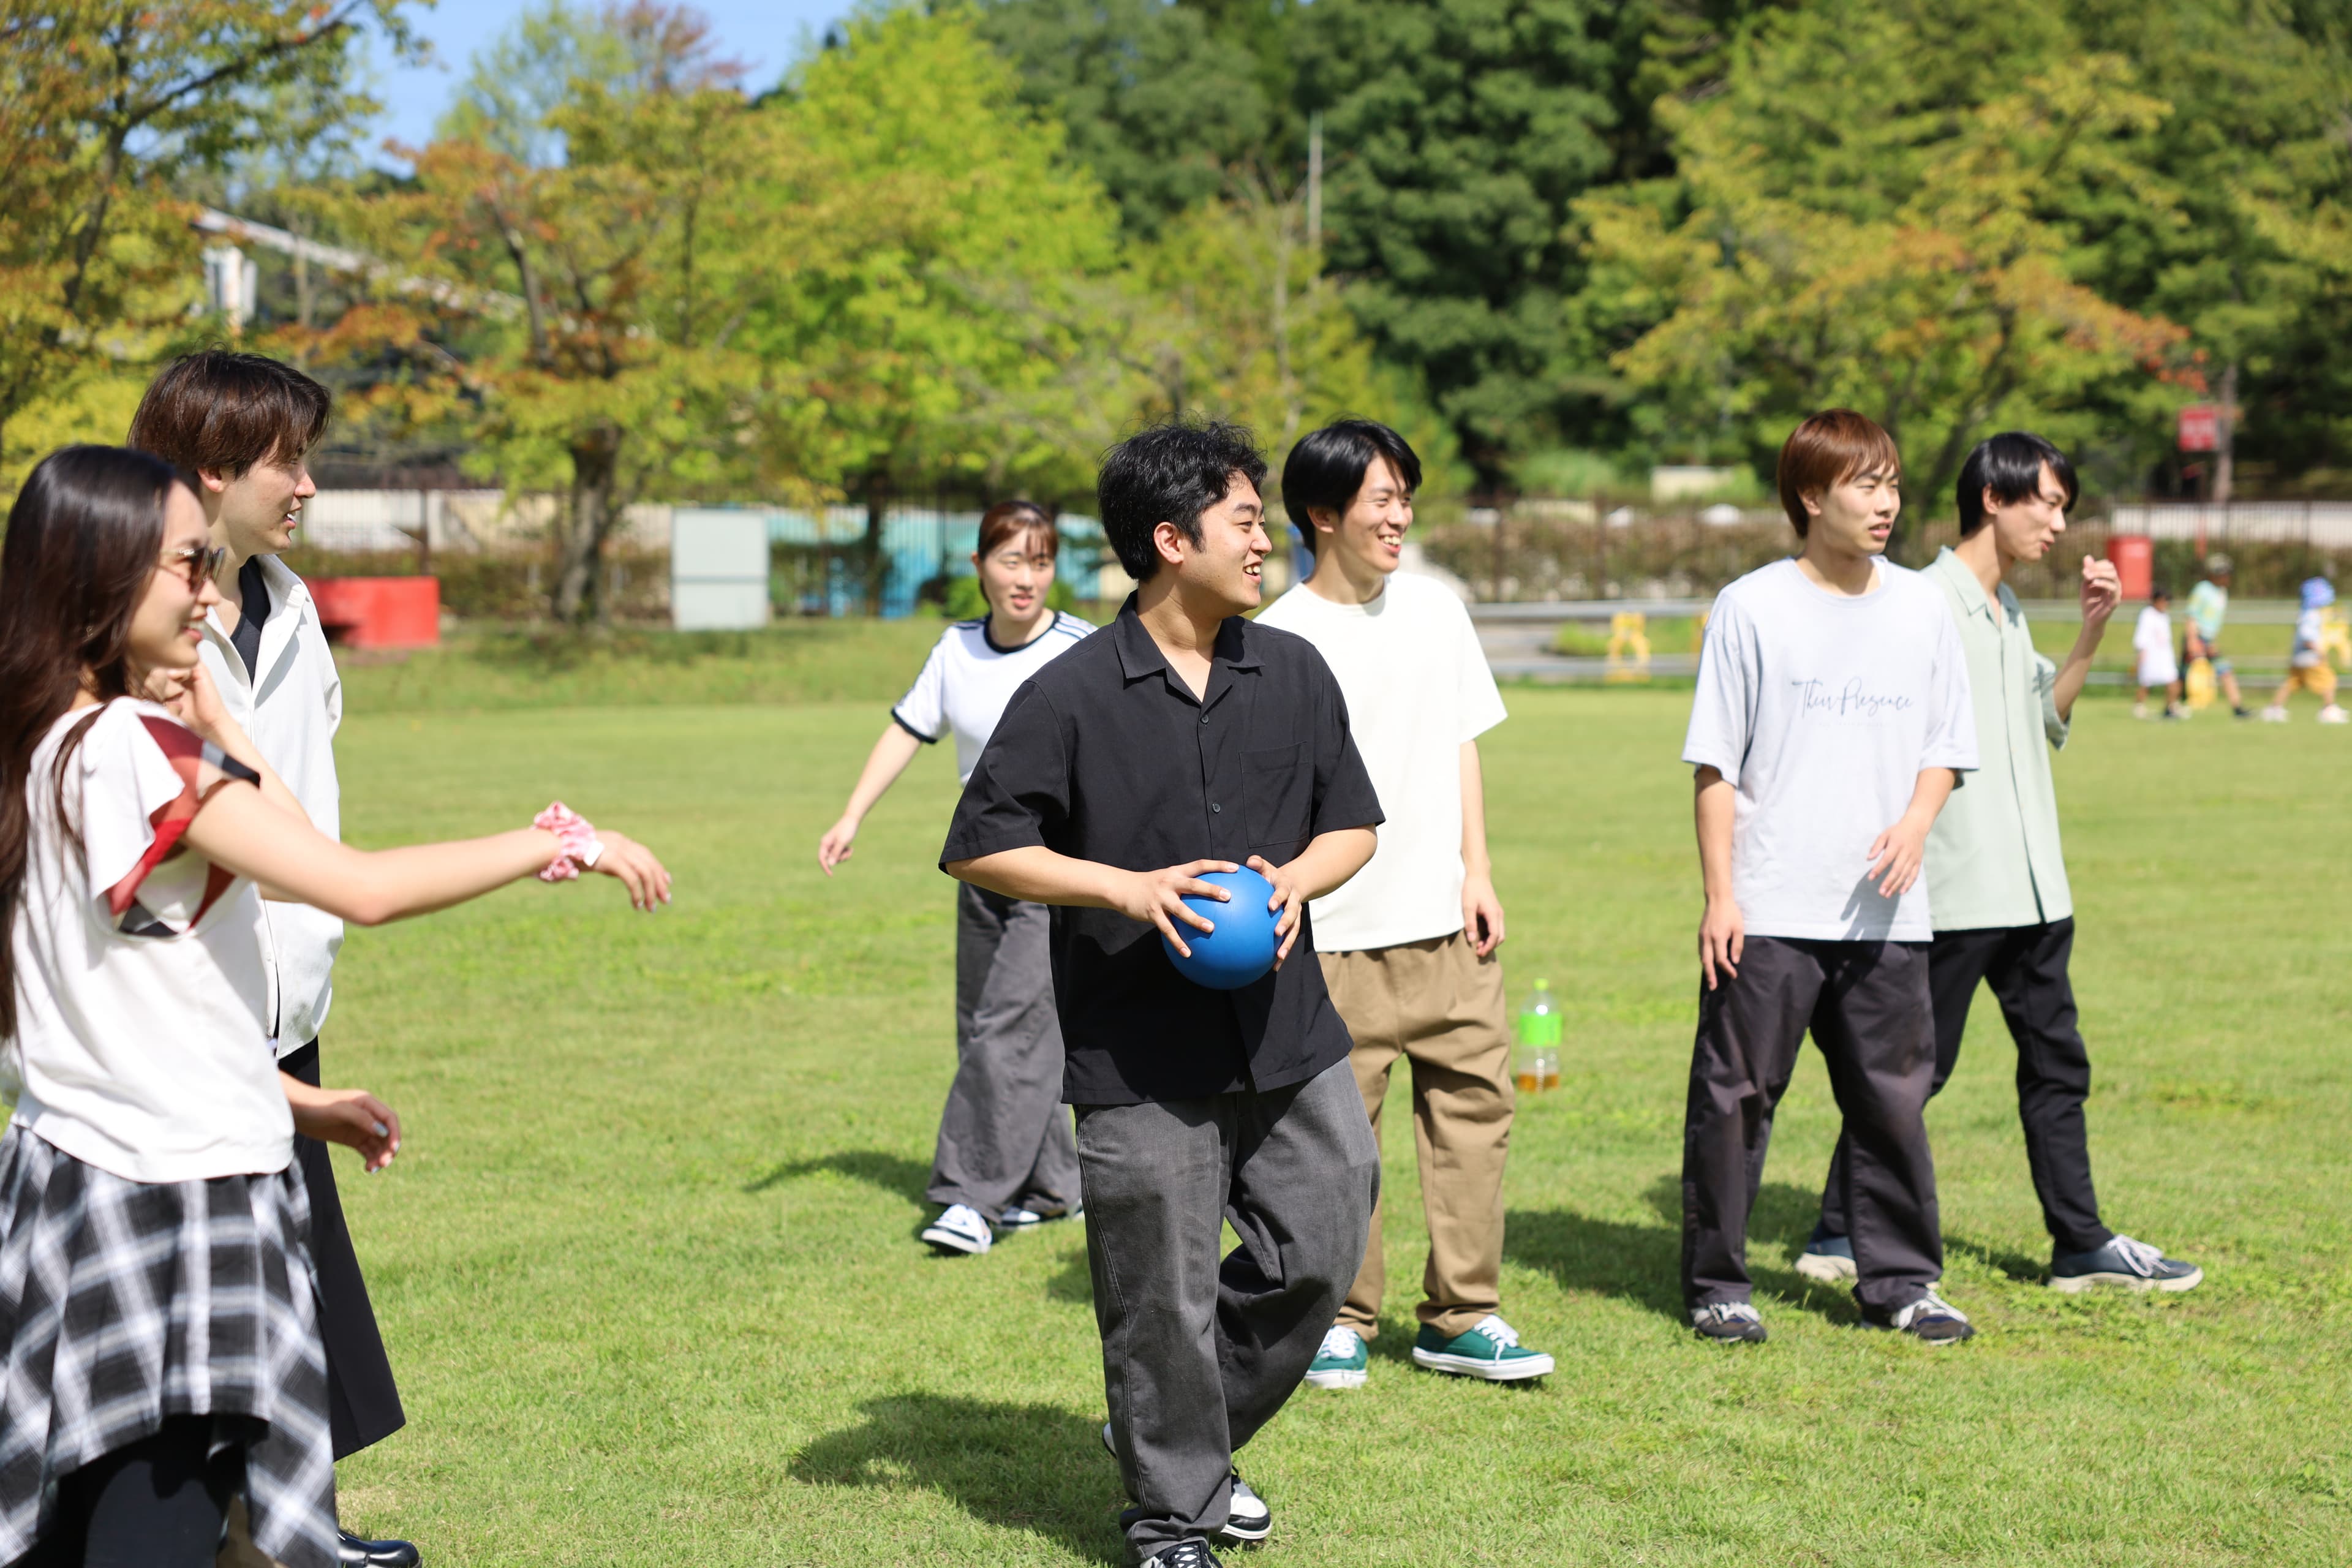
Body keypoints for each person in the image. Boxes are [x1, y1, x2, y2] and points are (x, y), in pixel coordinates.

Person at [0, 447, 668, 1568]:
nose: (211, 595)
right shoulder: (130, 751)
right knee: (155, 1527)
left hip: (74, 1195)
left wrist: (295, 1103)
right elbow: (352, 880)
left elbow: (114, 1015)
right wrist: (563, 841)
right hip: (178, 1218)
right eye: (188, 567)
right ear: (102, 575)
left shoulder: (41, 751)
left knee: (105, 1524)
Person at [940, 421, 1383, 1568]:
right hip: (1136, 1047)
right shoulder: (1075, 690)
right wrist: (1126, 892)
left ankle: (1173, 1435)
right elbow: (983, 843)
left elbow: (1354, 824)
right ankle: (1170, 1509)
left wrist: (1293, 878)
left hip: (1289, 1029)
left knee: (1323, 1248)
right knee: (1161, 1293)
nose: (1266, 537)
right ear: (1170, 539)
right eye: (1246, 519)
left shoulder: (1290, 667)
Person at [1793, 432, 2204, 1297]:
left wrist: (2092, 635)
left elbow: (2040, 724)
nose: (2058, 523)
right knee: (1915, 1072)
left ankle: (2079, 1242)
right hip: (1951, 887)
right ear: (1993, 498)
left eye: (2064, 507)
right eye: (2047, 502)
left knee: (2058, 1065)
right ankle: (1838, 1228)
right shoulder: (1915, 604)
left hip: (2034, 889)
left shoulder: (2009, 610)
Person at [125, 349, 415, 1568]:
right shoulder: (139, 639)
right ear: (211, 468)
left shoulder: (293, 606)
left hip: (283, 1008)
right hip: (177, 1027)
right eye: (288, 459)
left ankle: (276, 1528)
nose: (308, 482)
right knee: (196, 1321)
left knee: (293, 1282)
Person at [1256, 420, 1550, 1390]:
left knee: (1476, 1119)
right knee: (1344, 1143)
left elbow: (1462, 740)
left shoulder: (1438, 612)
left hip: (1447, 927)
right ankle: (1340, 1316)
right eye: (1382, 499)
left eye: (1404, 497)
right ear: (1322, 514)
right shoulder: (1275, 639)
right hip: (1332, 938)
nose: (1400, 516)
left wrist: (1479, 869)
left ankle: (1465, 1316)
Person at [1679, 409, 1978, 1347]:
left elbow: (1945, 746)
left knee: (1892, 1102)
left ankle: (1900, 1283)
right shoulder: (1752, 606)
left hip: (1887, 913)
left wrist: (1917, 822)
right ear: (1813, 496)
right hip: (1768, 905)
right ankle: (1718, 1285)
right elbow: (1715, 766)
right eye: (1866, 484)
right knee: (1734, 1102)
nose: (1886, 502)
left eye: (1892, 483)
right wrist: (1722, 895)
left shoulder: (1923, 607)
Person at [816, 501, 1094, 1255]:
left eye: (1040, 562)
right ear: (980, 567)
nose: (1026, 579)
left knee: (1010, 1025)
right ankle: (1053, 1186)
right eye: (1011, 561)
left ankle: (971, 1196)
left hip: (1054, 871)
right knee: (985, 1025)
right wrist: (852, 815)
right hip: (979, 864)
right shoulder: (957, 648)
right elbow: (907, 730)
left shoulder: (1082, 649)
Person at [2260, 577, 2346, 723]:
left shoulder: (2305, 614)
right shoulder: (2311, 615)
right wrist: (2319, 651)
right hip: (2310, 658)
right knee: (2329, 680)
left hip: (2299, 658)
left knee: (2291, 683)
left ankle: (2274, 708)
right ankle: (2329, 709)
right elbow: (2307, 637)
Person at [2184, 556, 2250, 718]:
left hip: (2209, 640)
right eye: (2224, 574)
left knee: (2225, 671)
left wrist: (2211, 641)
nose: (2228, 578)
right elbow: (2191, 616)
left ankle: (2238, 707)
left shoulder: (2222, 592)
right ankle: (2174, 706)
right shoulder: (2202, 589)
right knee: (2185, 674)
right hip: (2198, 638)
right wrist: (2192, 640)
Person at [2132, 587, 2183, 720]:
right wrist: (2141, 654)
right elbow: (2142, 636)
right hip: (2151, 655)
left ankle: (2170, 707)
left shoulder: (2165, 616)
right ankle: (2139, 706)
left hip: (2164, 656)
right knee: (2145, 683)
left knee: (2173, 681)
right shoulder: (2147, 614)